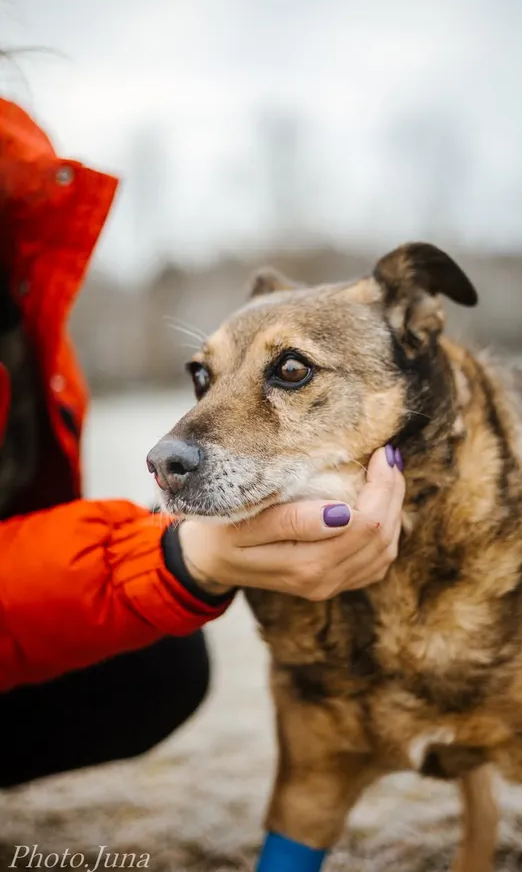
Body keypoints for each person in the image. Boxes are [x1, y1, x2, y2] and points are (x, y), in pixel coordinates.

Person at [0, 97, 406, 788]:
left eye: (289, 371)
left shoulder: (27, 226)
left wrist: (165, 561)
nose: (166, 453)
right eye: (204, 376)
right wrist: (177, 560)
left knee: (160, 665)